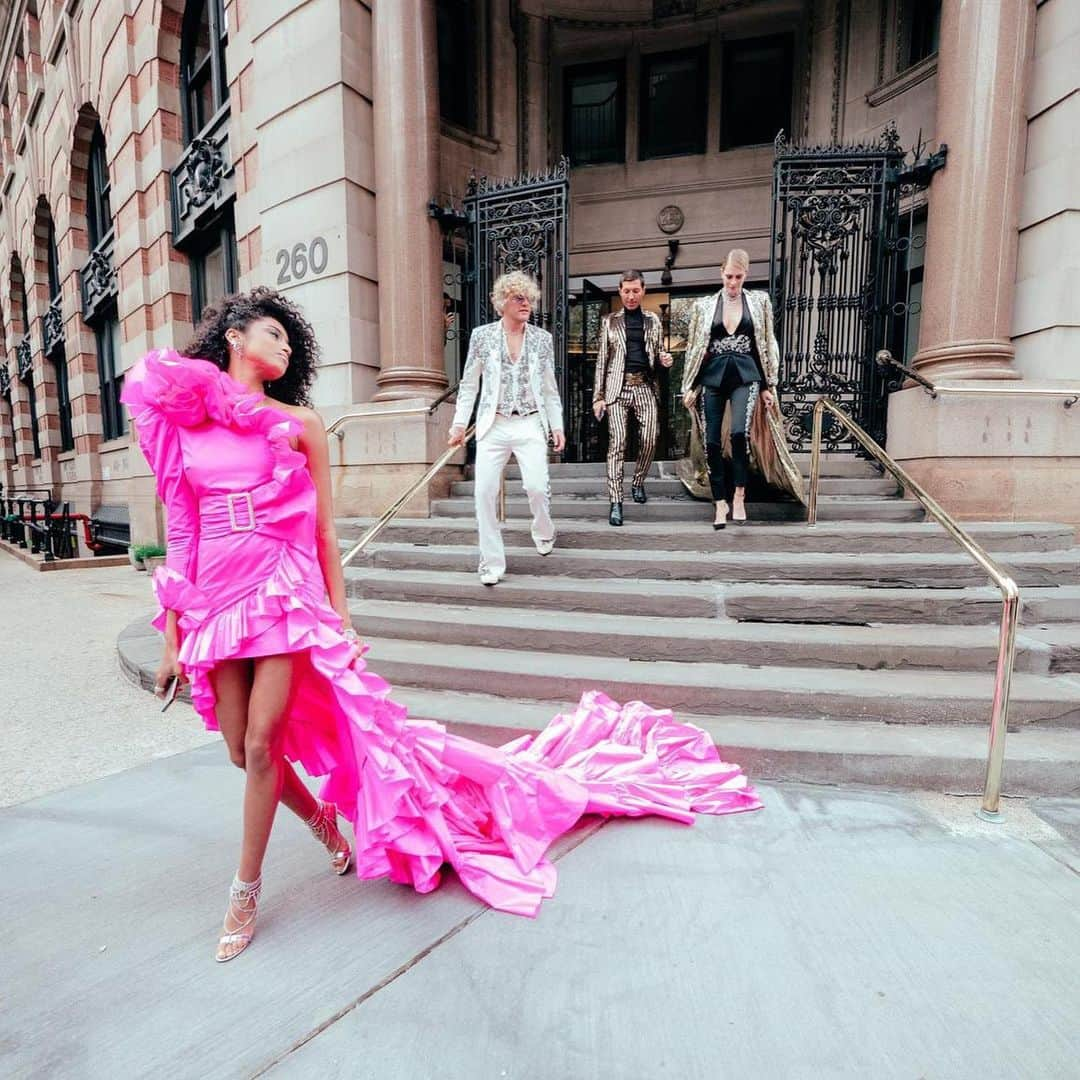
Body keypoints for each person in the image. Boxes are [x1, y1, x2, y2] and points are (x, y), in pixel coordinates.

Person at [126, 286, 762, 963]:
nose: (284, 346)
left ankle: (244, 892)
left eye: (290, 339)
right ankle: (322, 824)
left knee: (260, 746)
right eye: (272, 335)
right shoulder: (186, 422)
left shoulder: (299, 424)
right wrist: (173, 632)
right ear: (234, 337)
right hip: (216, 597)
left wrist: (339, 617)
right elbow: (184, 527)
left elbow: (321, 531)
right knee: (239, 750)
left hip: (281, 593)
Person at [448, 271, 563, 586]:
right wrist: (459, 424)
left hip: (529, 422)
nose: (526, 303)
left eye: (529, 298)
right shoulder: (482, 336)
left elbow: (549, 388)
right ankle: (491, 563)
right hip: (493, 423)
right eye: (518, 298)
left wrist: (557, 425)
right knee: (484, 492)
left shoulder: (542, 339)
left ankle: (543, 529)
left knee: (536, 487)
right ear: (503, 303)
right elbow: (469, 384)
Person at [679, 249, 804, 526]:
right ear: (720, 273)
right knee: (711, 441)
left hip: (746, 375)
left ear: (746, 275)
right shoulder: (704, 306)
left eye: (738, 276)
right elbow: (696, 347)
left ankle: (738, 494)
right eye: (728, 276)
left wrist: (768, 385)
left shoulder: (759, 302)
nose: (733, 282)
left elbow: (766, 343)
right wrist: (690, 385)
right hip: (712, 376)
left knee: (738, 434)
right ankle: (720, 501)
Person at [592, 271, 673, 526]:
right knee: (618, 443)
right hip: (617, 389)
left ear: (643, 290)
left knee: (650, 438)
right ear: (620, 291)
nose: (630, 296)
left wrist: (665, 360)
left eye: (635, 290)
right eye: (626, 291)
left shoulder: (653, 320)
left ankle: (638, 481)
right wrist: (599, 396)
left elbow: (659, 352)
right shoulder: (609, 322)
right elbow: (601, 361)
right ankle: (616, 501)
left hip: (645, 387)